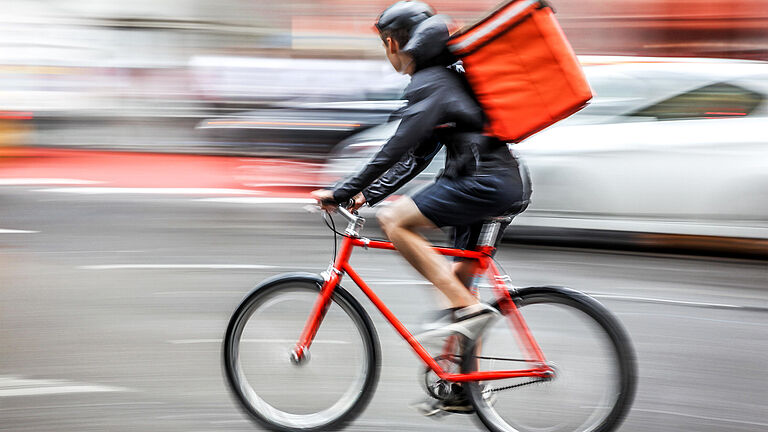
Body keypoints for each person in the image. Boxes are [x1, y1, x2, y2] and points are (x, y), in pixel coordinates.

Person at [311, 0, 531, 416]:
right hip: (500, 181)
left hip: (483, 182)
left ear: (392, 43)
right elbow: (418, 155)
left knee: (396, 222)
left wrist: (342, 190)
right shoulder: (446, 78)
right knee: (459, 280)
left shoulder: (430, 83)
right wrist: (365, 194)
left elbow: (397, 145)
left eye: (385, 45)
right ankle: (467, 387)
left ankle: (469, 311)